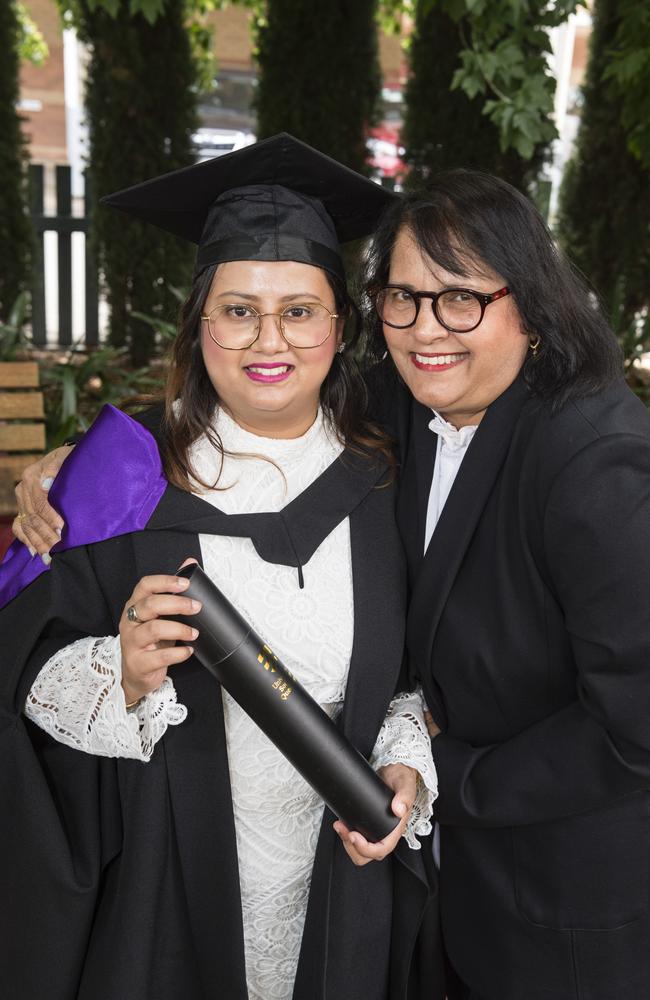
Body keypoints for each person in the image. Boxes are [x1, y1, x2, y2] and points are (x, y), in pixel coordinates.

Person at [0, 134, 442, 1000]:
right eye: (238, 309)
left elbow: (417, 679)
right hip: (167, 887)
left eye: (299, 310)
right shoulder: (119, 480)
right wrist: (117, 673)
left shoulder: (390, 483)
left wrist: (404, 768)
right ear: (200, 323)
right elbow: (19, 668)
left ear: (340, 325)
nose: (267, 338)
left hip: (339, 880)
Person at [361, 171, 650, 1000]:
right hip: (458, 901)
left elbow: (636, 728)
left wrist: (445, 772)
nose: (425, 329)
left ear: (529, 305)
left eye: (461, 300)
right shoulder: (408, 400)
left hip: (571, 915)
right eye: (403, 298)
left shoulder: (600, 466)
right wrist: (84, 469)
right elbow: (265, 410)